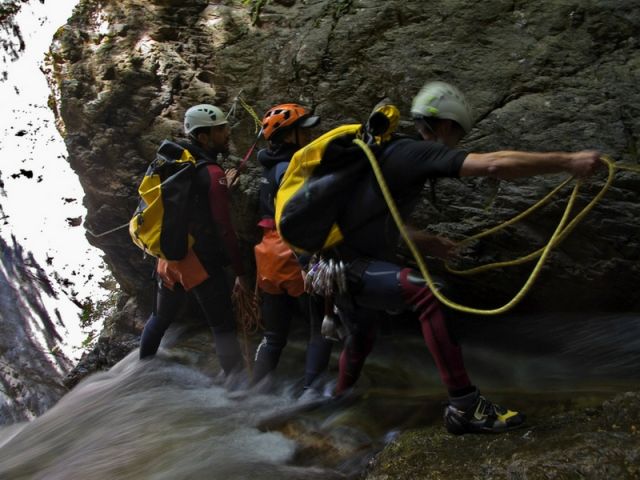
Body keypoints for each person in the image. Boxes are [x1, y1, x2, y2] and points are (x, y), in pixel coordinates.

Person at [331, 81, 602, 434]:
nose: (456, 142)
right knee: (430, 293)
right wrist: (569, 161)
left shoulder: (390, 152)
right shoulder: (418, 152)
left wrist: (425, 241)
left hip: (331, 267)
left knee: (362, 336)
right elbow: (494, 165)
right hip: (349, 268)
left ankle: (334, 402)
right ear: (446, 126)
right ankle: (465, 407)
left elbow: (377, 219)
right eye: (457, 133)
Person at [139, 104, 249, 376]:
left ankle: (140, 373)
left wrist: (219, 184)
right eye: (220, 129)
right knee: (222, 326)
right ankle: (237, 391)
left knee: (160, 318)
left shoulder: (176, 160)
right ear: (203, 137)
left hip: (168, 257)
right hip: (198, 263)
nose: (227, 133)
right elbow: (224, 229)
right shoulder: (212, 174)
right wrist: (241, 273)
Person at [252, 103, 334, 388]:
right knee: (319, 329)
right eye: (304, 130)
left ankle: (250, 391)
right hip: (294, 254)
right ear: (289, 136)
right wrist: (308, 262)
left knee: (274, 336)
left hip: (268, 256)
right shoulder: (292, 168)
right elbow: (303, 217)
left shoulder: (268, 167)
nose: (310, 135)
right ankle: (311, 392)